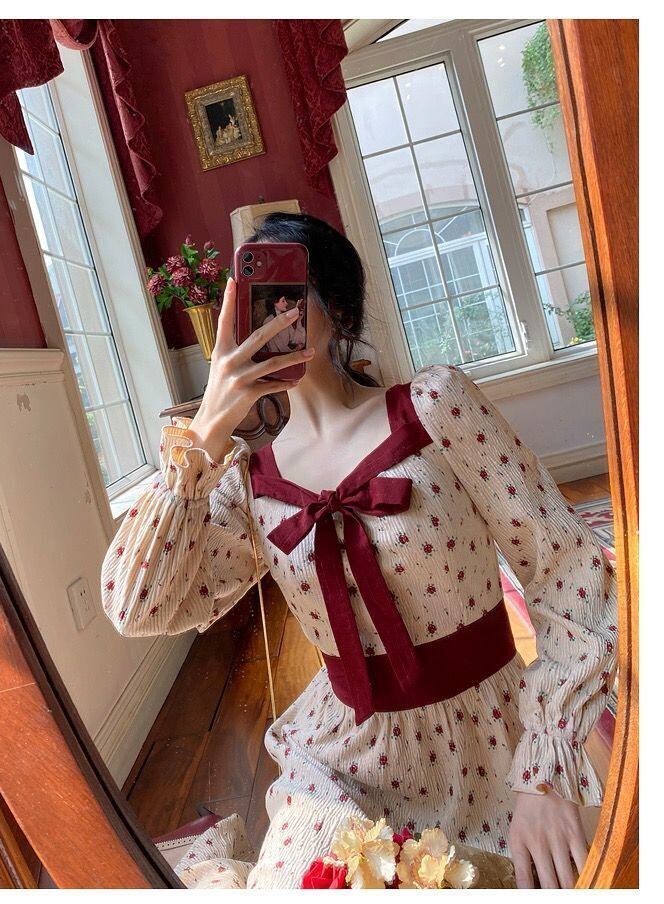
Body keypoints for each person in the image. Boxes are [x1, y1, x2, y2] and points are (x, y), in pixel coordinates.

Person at [101, 213, 617, 889]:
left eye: (289, 295)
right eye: (254, 299)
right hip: (338, 761)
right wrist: (206, 428)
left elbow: (568, 567)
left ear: (340, 311)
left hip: (489, 745)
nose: (271, 319)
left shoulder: (435, 408)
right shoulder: (247, 484)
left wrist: (543, 772)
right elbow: (134, 606)